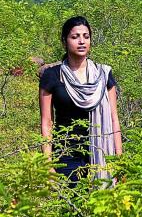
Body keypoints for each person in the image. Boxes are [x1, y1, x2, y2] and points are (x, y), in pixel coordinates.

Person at [39, 16, 122, 183]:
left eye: (86, 36)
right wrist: (47, 163)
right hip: (66, 154)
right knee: (70, 206)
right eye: (75, 37)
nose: (81, 41)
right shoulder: (52, 76)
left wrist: (120, 160)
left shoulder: (103, 75)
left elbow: (114, 119)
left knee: (103, 205)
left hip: (101, 152)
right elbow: (47, 122)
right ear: (64, 41)